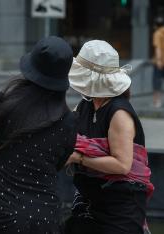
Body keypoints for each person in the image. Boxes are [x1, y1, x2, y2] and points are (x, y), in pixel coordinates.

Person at [0, 36, 77, 234]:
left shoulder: (4, 105)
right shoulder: (68, 122)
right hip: (46, 220)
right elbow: (59, 162)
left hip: (1, 216)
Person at [64, 40, 151, 234]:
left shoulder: (119, 113)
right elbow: (66, 131)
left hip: (120, 205)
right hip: (90, 198)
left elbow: (122, 165)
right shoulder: (86, 104)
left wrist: (79, 158)